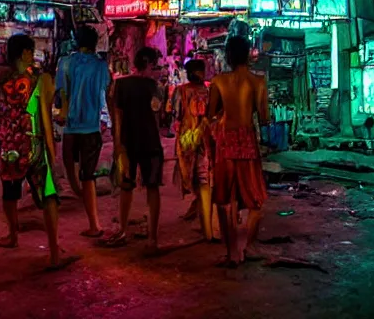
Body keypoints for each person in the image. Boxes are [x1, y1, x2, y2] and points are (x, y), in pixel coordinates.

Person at [0, 35, 75, 269]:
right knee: (48, 196)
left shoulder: (1, 80)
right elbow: (45, 117)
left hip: (8, 144)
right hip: (33, 143)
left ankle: (12, 235)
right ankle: (54, 251)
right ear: (26, 53)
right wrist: (51, 148)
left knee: (9, 192)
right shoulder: (41, 79)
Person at [209, 36, 269, 266]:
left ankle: (232, 251)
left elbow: (211, 113)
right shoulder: (258, 82)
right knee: (256, 200)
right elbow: (264, 117)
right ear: (248, 55)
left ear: (229, 56)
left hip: (225, 141)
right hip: (246, 141)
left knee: (223, 199)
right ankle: (249, 246)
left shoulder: (218, 81)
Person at [105, 47, 167, 252]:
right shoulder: (155, 87)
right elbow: (157, 115)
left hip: (128, 141)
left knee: (126, 187)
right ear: (149, 64)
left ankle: (122, 229)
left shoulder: (121, 84)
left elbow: (117, 118)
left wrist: (118, 145)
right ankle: (153, 238)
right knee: (152, 188)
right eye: (155, 65)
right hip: (150, 143)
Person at [56, 25, 109, 239]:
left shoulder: (65, 63)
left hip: (71, 124)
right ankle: (94, 223)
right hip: (92, 125)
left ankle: (77, 191)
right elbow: (105, 91)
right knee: (89, 176)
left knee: (69, 162)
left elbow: (61, 93)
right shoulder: (101, 66)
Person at [172, 59, 216, 241]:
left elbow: (176, 116)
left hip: (187, 141)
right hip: (206, 141)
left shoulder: (180, 91)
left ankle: (207, 228)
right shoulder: (210, 90)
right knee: (204, 181)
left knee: (196, 180)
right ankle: (207, 227)